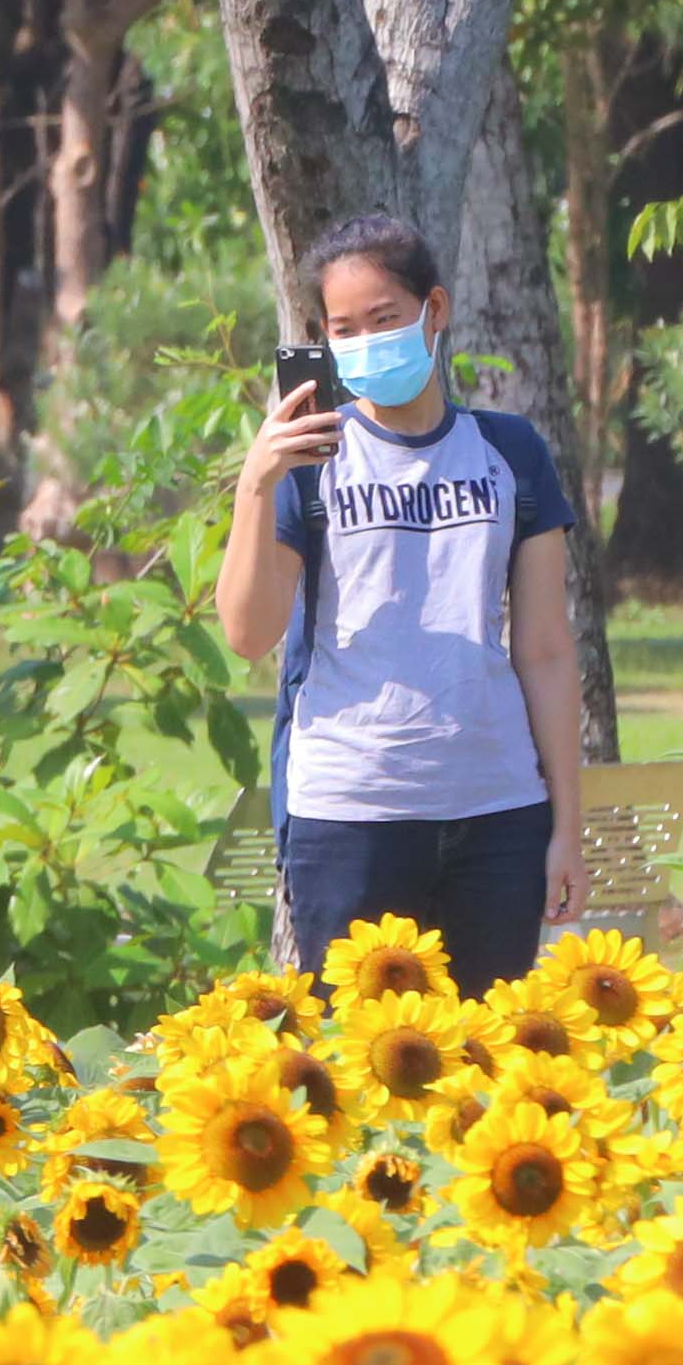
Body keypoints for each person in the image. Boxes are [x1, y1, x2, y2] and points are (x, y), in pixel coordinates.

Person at [215, 211, 588, 995]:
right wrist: (257, 482)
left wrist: (565, 829)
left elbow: (547, 651)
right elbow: (248, 634)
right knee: (359, 1072)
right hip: (349, 814)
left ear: (435, 312)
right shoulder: (312, 465)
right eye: (343, 329)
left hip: (497, 813)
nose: (366, 342)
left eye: (385, 319)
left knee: (485, 1071)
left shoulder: (511, 453)